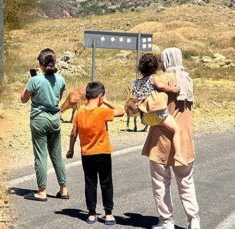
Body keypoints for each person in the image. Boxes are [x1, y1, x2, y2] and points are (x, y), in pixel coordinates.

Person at [142, 48, 200, 229]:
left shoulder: (162, 80)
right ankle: (194, 219)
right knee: (186, 182)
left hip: (161, 140)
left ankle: (166, 221)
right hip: (184, 140)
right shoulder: (188, 80)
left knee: (161, 183)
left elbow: (147, 105)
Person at [66, 81, 125, 225]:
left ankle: (92, 214)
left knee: (90, 182)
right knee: (106, 182)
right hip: (103, 152)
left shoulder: (80, 112)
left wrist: (71, 149)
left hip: (87, 154)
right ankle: (109, 214)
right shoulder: (102, 111)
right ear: (100, 96)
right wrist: (107, 102)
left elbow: (74, 132)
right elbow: (122, 111)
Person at [20, 48, 69, 202]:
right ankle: (64, 189)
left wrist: (30, 81)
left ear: (40, 64)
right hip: (55, 119)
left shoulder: (35, 80)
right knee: (56, 155)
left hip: (39, 120)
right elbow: (58, 98)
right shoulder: (61, 80)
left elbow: (23, 99)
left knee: (41, 155)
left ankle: (42, 191)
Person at [133, 53, 187, 166]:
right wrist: (173, 89)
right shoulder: (154, 78)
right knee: (177, 129)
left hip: (145, 117)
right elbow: (162, 86)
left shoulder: (136, 82)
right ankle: (178, 154)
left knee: (160, 127)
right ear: (155, 67)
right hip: (158, 114)